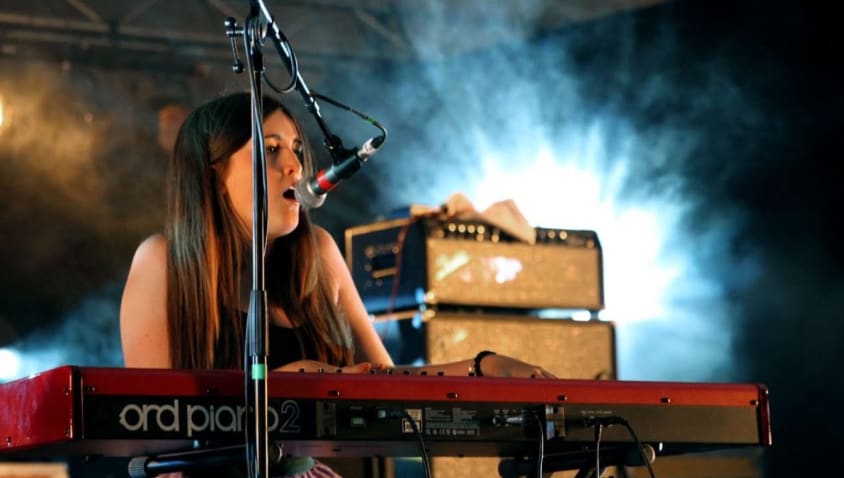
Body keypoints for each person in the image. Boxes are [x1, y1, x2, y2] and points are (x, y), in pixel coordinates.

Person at [119, 91, 556, 477]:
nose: (294, 165)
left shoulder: (320, 255)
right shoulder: (162, 261)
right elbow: (154, 425)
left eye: (295, 149)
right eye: (270, 151)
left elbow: (388, 383)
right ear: (214, 174)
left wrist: (483, 368)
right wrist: (286, 385)